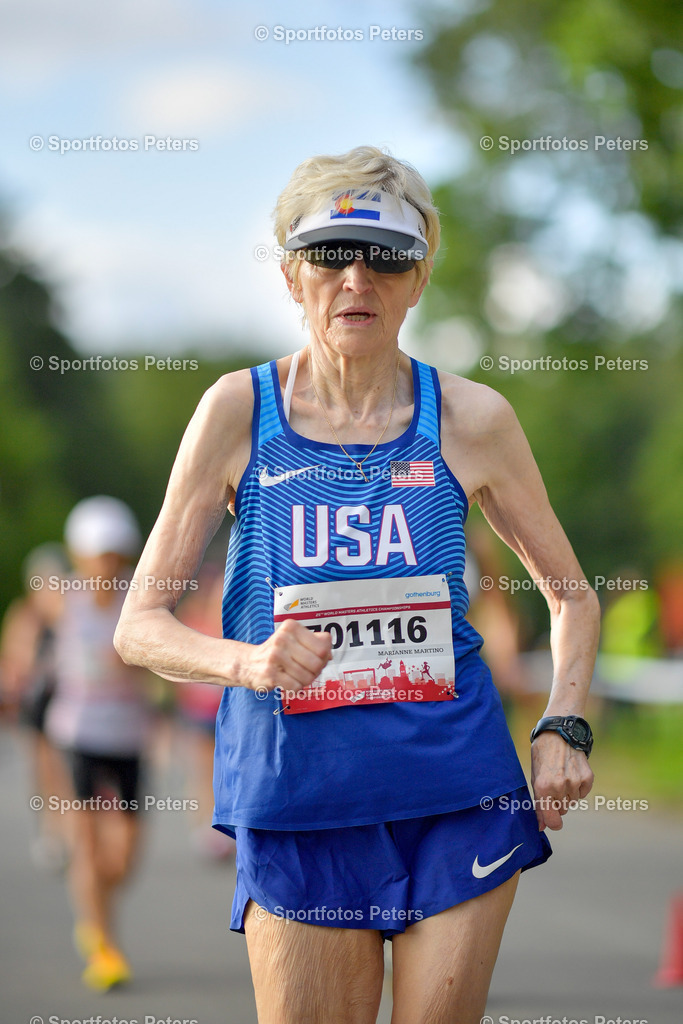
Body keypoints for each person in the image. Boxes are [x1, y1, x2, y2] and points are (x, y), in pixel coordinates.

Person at [115, 146, 600, 1024]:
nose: (357, 279)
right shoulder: (237, 411)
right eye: (331, 254)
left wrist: (564, 723)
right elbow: (139, 624)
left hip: (458, 790)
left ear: (418, 278)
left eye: (386, 256)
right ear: (292, 274)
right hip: (298, 794)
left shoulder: (472, 418)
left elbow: (570, 594)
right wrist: (247, 663)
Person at [46, 496, 154, 991]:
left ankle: (94, 911)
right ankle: (105, 948)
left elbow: (161, 663)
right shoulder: (60, 597)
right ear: (80, 554)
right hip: (79, 736)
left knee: (124, 856)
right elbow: (26, 632)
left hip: (128, 737)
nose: (106, 564)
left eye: (114, 553)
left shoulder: (142, 599)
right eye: (97, 553)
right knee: (87, 846)